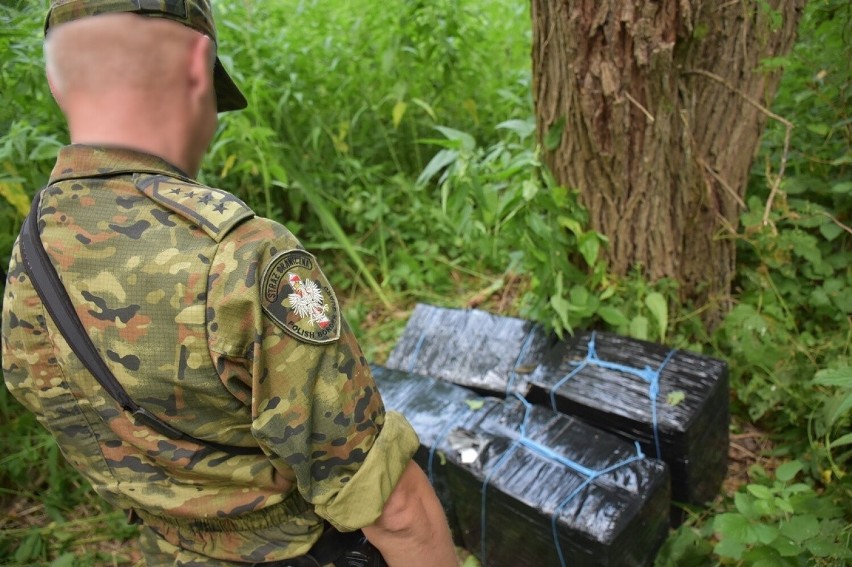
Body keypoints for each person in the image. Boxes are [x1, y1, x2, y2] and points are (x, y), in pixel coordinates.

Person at [1, 2, 457, 566]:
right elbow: (395, 509)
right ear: (198, 64)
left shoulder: (31, 253)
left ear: (54, 78)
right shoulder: (238, 254)